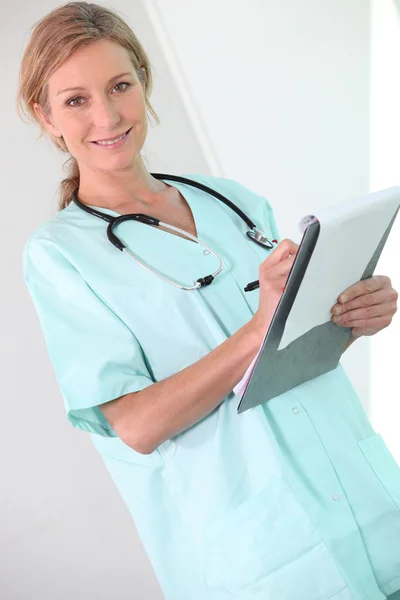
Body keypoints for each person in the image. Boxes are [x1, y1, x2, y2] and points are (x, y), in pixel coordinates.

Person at [18, 3, 400, 600]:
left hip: (367, 505)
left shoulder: (234, 202)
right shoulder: (61, 256)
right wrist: (254, 331)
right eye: (76, 100)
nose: (108, 115)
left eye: (121, 85)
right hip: (264, 553)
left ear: (144, 83)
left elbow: (288, 343)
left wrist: (350, 314)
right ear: (45, 117)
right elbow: (136, 426)